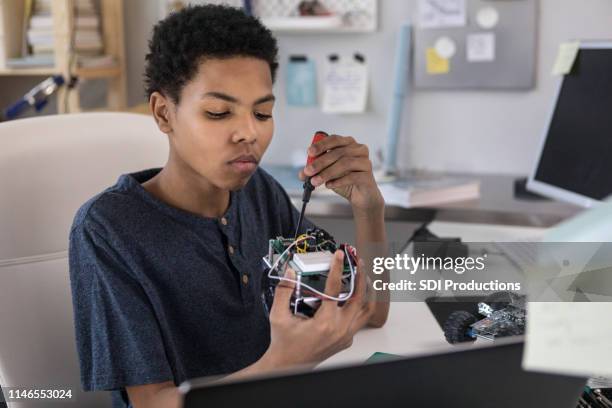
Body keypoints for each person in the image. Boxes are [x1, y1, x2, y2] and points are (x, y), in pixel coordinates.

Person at [68, 5, 389, 408]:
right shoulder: (108, 230)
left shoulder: (261, 193)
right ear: (164, 113)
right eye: (218, 113)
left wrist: (370, 209)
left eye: (262, 112)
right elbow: (151, 403)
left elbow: (371, 312)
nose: (249, 133)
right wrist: (283, 362)